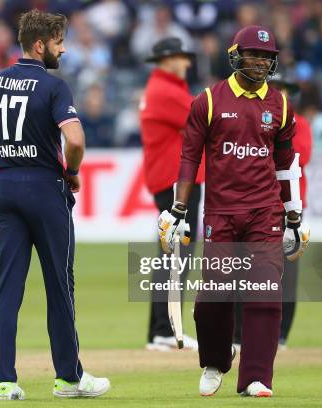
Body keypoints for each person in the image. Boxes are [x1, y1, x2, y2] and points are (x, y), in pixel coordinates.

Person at [0, 9, 110, 401]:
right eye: (59, 42)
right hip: (44, 189)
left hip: (4, 190)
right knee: (59, 285)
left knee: (6, 288)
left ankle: (5, 382)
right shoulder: (54, 86)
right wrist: (71, 171)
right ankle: (68, 379)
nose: (64, 48)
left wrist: (2, 161)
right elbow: (74, 141)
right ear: (40, 45)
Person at [159, 26, 310, 397]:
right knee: (214, 299)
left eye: (265, 56)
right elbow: (189, 156)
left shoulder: (281, 105)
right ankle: (215, 361)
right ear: (236, 55)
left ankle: (256, 377)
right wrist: (177, 209)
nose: (259, 61)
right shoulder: (208, 101)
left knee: (264, 293)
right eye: (252, 54)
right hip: (221, 214)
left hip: (265, 212)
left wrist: (294, 217)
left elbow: (286, 164)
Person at [233, 71, 313, 350]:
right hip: (256, 203)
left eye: (284, 90)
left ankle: (280, 334)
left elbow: (293, 156)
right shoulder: (252, 121)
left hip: (288, 206)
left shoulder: (298, 123)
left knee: (287, 271)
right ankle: (240, 333)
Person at [139, 37, 202, 351]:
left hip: (172, 180)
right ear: (168, 59)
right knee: (176, 254)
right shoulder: (166, 91)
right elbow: (205, 121)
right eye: (182, 58)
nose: (187, 63)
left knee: (171, 252)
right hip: (179, 181)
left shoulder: (163, 89)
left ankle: (159, 331)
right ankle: (165, 329)